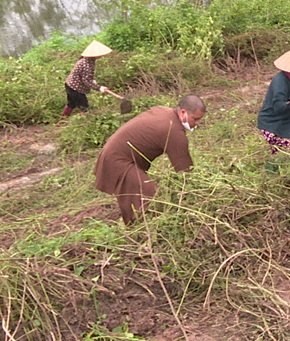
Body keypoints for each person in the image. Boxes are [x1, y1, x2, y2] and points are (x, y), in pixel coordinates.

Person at [93, 95, 206, 225]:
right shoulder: (173, 130)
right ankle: (144, 233)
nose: (197, 123)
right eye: (195, 119)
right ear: (183, 113)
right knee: (149, 199)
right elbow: (185, 172)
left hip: (114, 152)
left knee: (141, 197)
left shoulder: (164, 111)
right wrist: (196, 198)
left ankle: (141, 228)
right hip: (118, 159)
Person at [63, 40, 112, 117]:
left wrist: (92, 81)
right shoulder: (86, 64)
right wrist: (99, 88)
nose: (101, 56)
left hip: (69, 84)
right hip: (75, 88)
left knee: (72, 103)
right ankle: (82, 122)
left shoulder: (87, 59)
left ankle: (62, 120)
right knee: (84, 106)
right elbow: (86, 81)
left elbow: (84, 76)